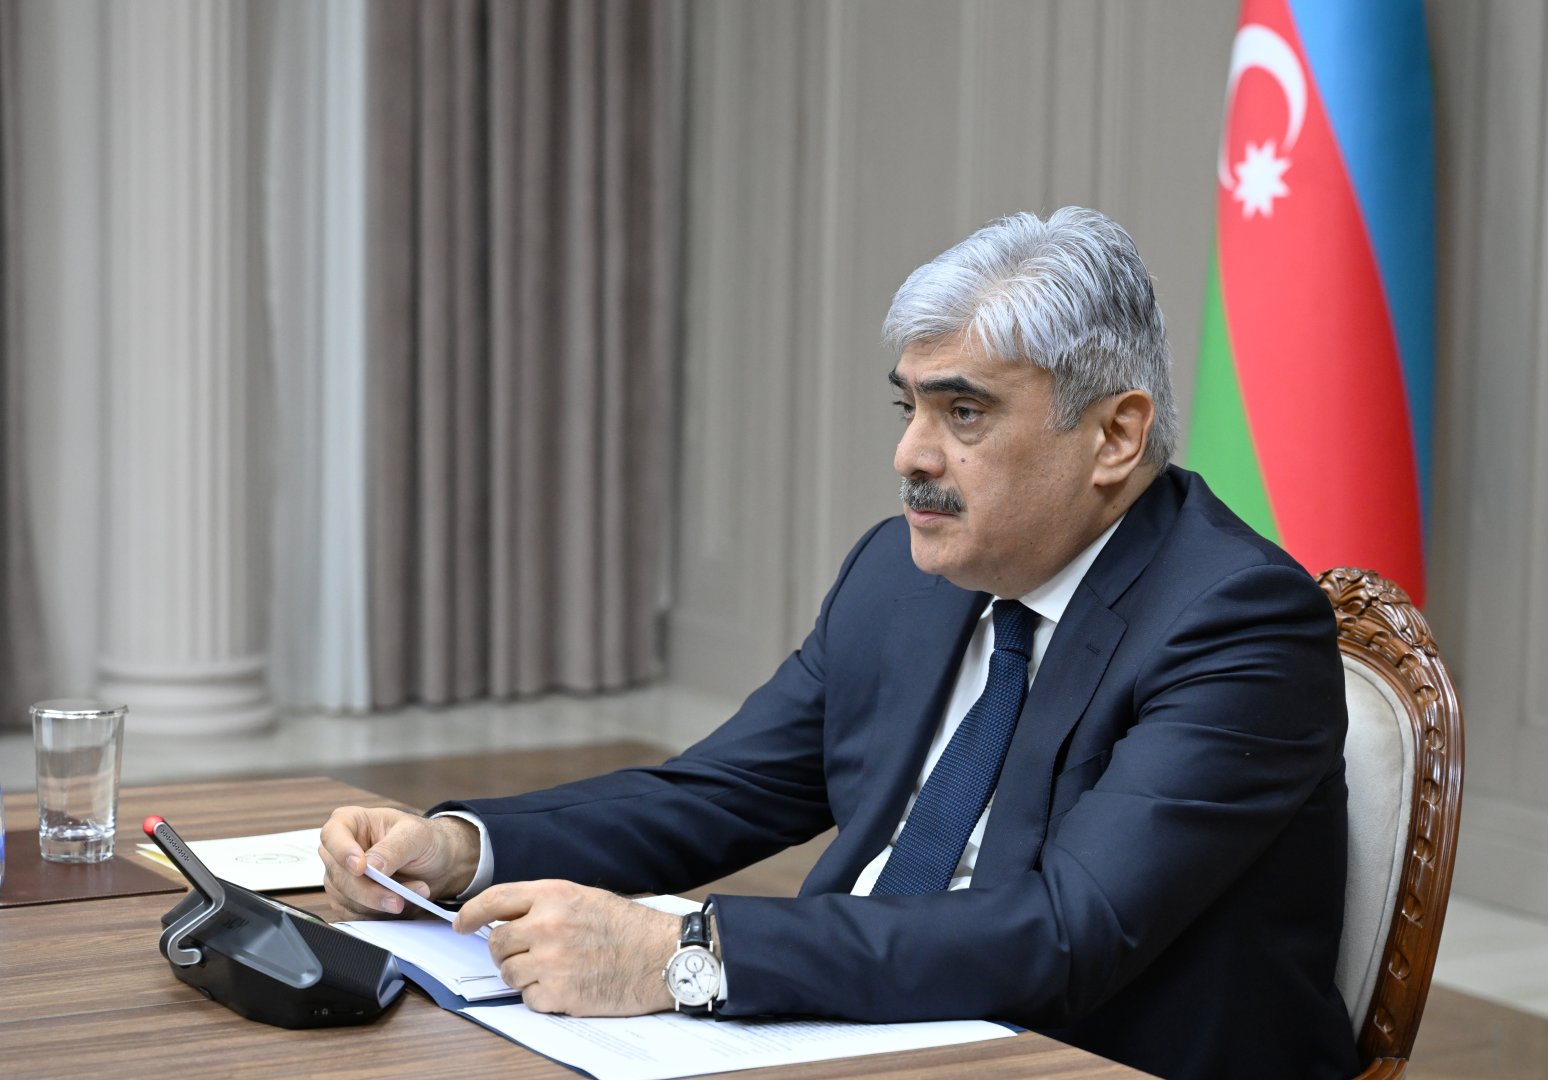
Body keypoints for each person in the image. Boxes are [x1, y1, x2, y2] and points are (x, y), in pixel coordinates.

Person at [320, 207, 1358, 1080]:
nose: (910, 454)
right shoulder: (902, 577)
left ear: (1116, 437)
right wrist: (465, 848)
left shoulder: (1238, 623)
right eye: (910, 407)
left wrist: (683, 953)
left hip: (1075, 1053)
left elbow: (1062, 933)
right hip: (847, 1028)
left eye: (965, 413)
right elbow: (723, 792)